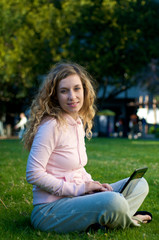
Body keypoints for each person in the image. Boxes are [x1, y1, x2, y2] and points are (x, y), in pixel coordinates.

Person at [23, 62, 152, 233]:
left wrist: (93, 185)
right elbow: (33, 174)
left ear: (84, 90)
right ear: (55, 95)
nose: (72, 96)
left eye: (77, 89)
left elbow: (77, 168)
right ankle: (130, 219)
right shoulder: (51, 126)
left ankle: (112, 217)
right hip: (49, 210)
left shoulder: (77, 122)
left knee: (139, 184)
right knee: (114, 202)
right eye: (64, 91)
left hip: (76, 199)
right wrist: (81, 189)